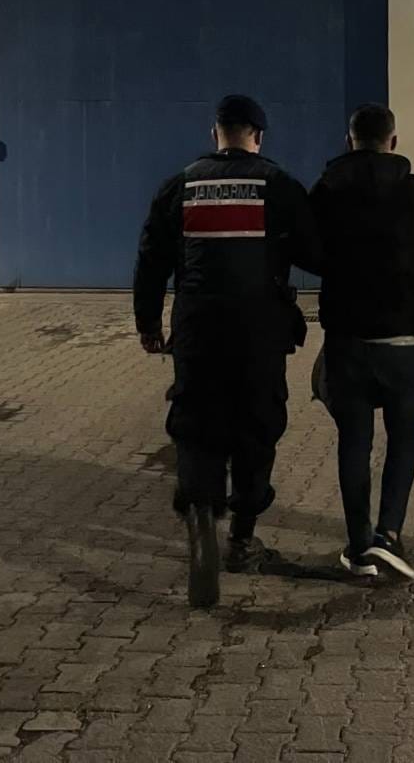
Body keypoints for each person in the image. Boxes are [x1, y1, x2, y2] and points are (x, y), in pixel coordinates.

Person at [132, 95, 320, 608]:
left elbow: (151, 260)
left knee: (196, 421)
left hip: (197, 328)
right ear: (258, 135)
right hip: (259, 330)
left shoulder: (181, 184)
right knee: (257, 424)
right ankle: (242, 536)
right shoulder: (277, 184)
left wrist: (148, 323)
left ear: (215, 132)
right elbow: (315, 251)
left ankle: (200, 517)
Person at [309, 104, 414, 581]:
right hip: (404, 341)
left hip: (347, 340)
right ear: (393, 140)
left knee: (354, 440)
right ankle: (389, 534)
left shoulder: (325, 192)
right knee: (404, 438)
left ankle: (358, 544)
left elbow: (307, 251)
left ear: (349, 139)